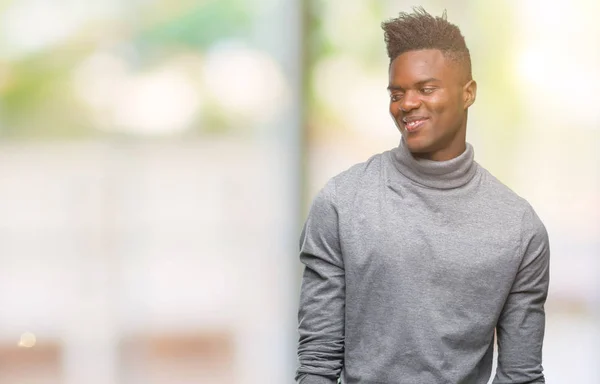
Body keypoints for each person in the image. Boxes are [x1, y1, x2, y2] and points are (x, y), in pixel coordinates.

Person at [295, 7, 550, 384]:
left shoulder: (519, 228)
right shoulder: (341, 204)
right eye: (397, 93)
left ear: (468, 93)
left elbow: (521, 376)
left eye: (426, 89)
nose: (407, 104)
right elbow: (317, 364)